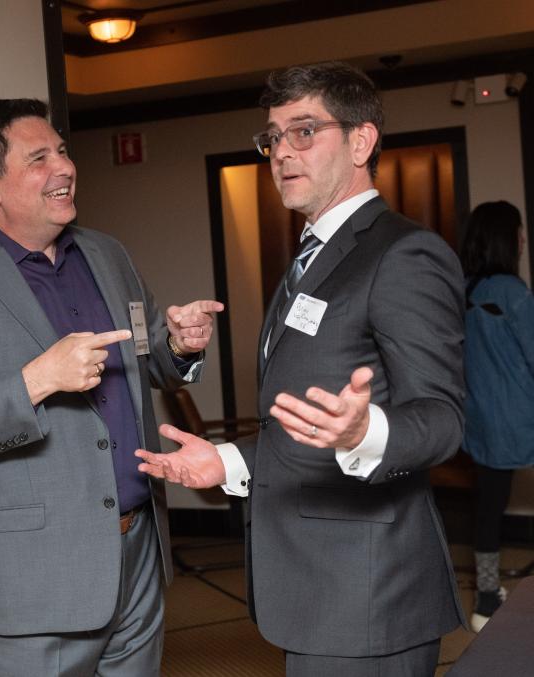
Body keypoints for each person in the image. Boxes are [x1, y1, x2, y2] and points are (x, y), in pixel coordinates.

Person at [136, 62, 466, 676]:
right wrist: (228, 461)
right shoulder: (315, 257)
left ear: (361, 141)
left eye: (305, 131)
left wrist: (365, 433)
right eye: (272, 138)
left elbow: (443, 419)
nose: (282, 152)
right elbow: (301, 424)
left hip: (369, 595)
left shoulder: (401, 253)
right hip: (319, 589)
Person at [0, 98, 221, 676]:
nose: (65, 168)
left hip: (138, 555)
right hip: (32, 581)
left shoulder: (106, 253)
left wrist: (181, 347)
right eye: (39, 158)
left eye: (64, 152)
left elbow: (147, 365)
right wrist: (35, 382)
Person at [460, 200, 534, 632]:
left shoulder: (464, 289)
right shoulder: (513, 291)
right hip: (522, 417)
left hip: (481, 422)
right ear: (508, 238)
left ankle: (485, 602)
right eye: (519, 231)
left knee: (488, 508)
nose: (523, 239)